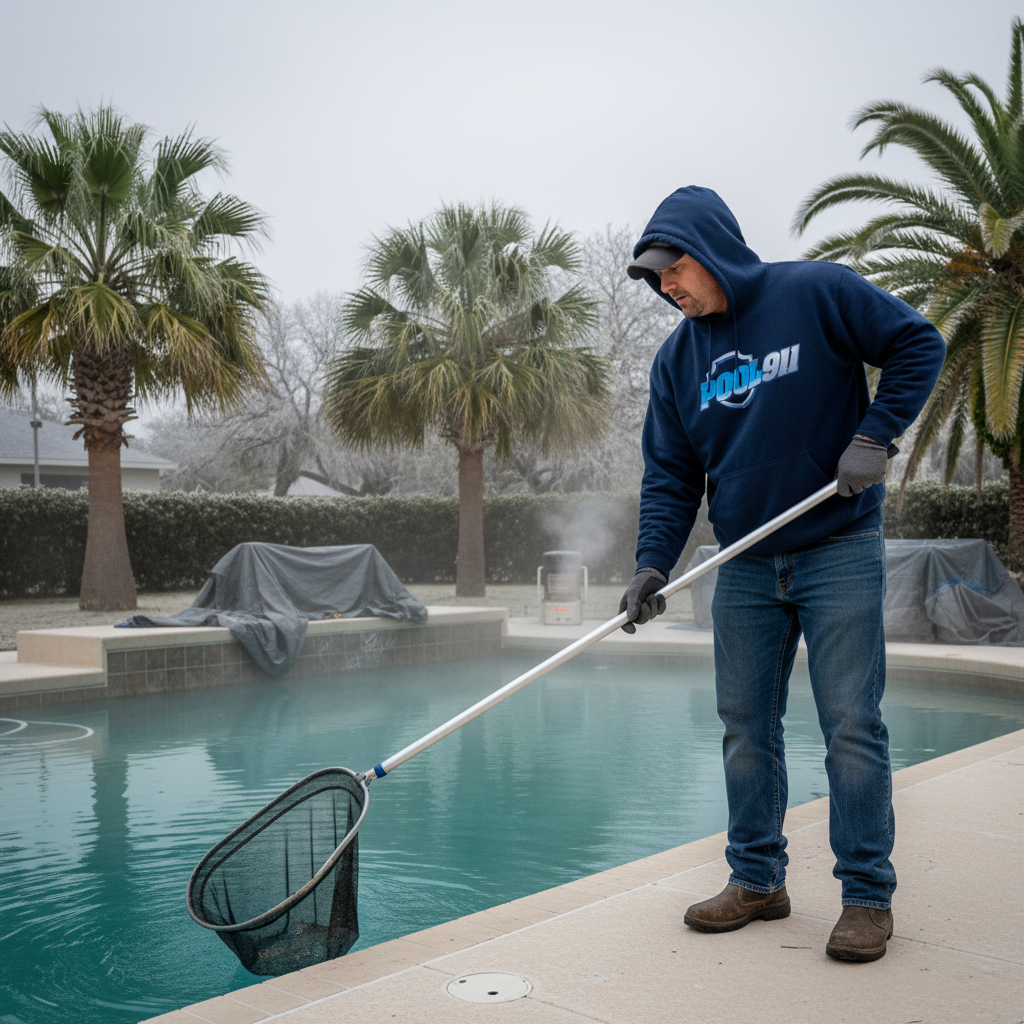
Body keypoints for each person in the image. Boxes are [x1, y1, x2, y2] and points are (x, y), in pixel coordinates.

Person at [619, 186, 945, 962]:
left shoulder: (816, 292)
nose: (667, 286)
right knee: (745, 729)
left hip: (838, 546)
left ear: (712, 250)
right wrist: (652, 564)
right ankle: (758, 880)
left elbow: (918, 343)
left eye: (674, 269)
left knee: (851, 725)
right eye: (656, 277)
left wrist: (876, 435)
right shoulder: (676, 361)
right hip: (744, 564)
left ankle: (867, 897)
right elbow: (671, 476)